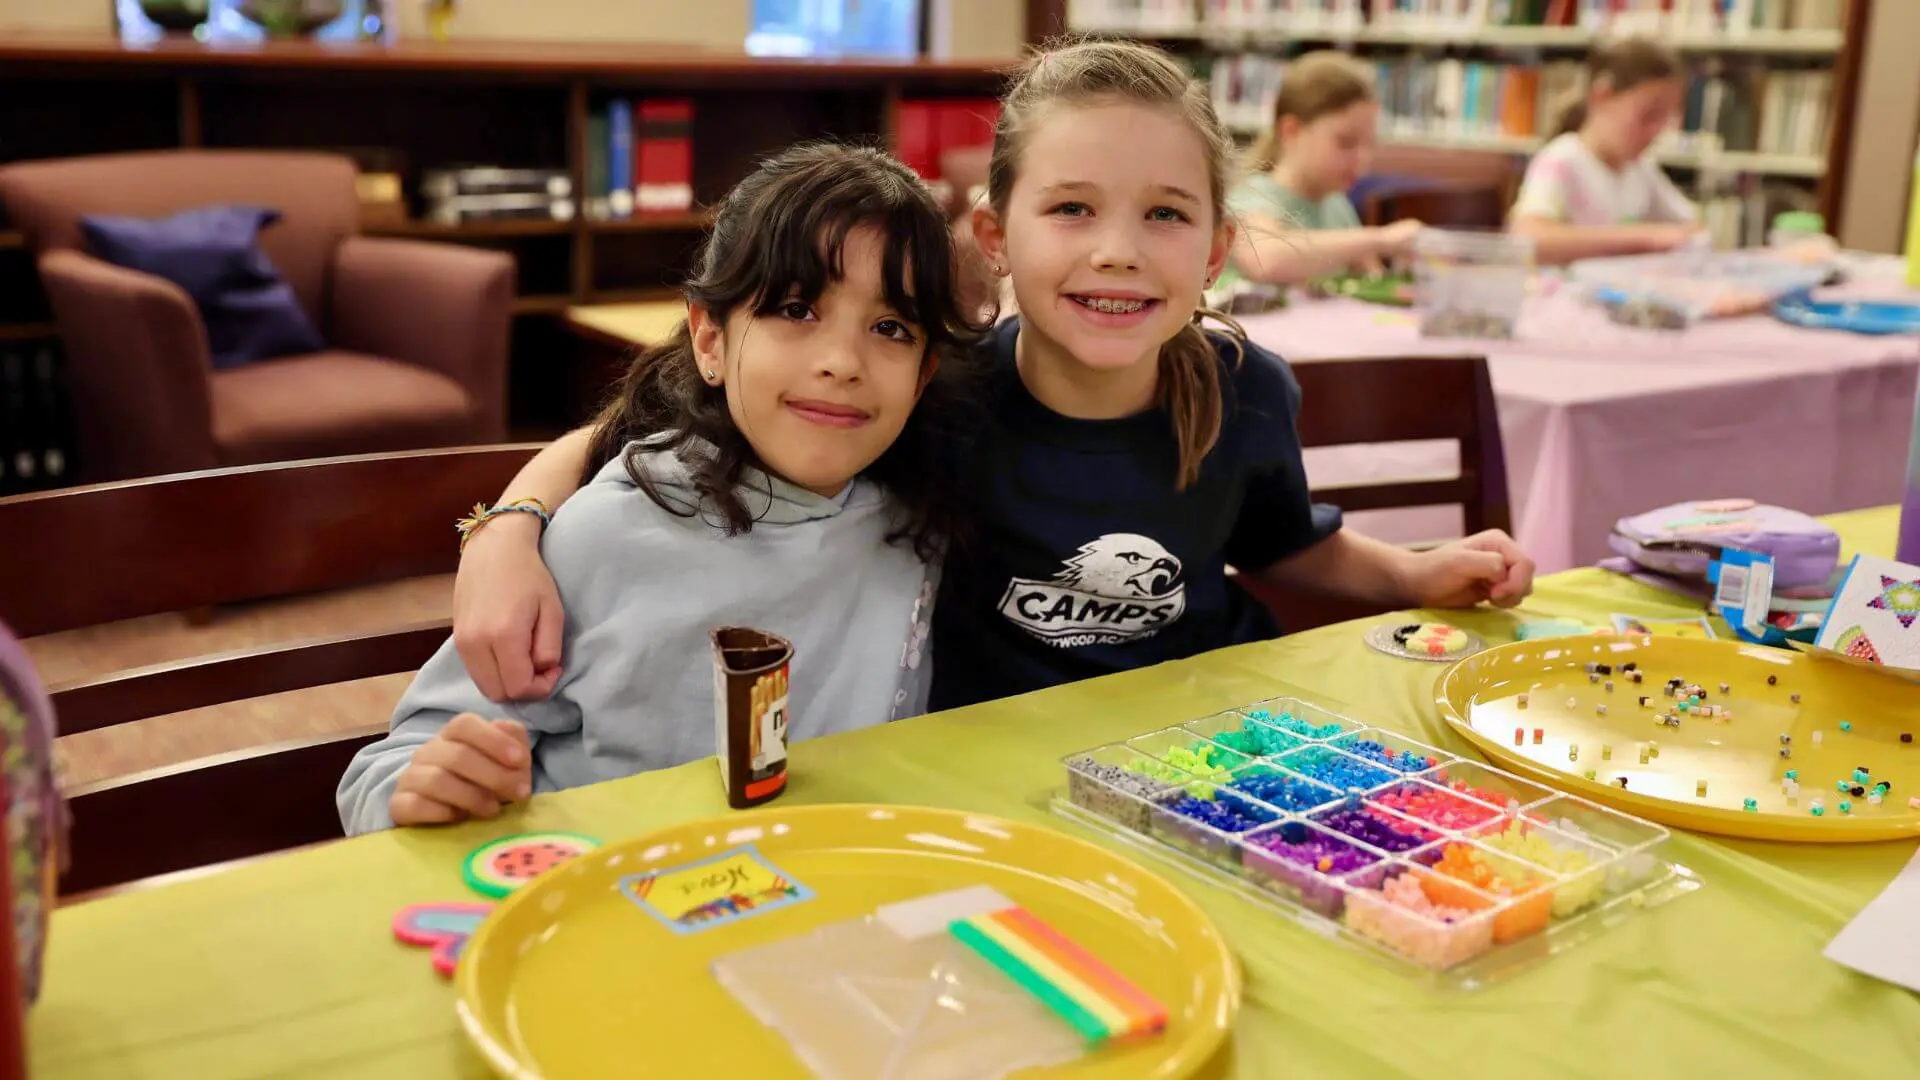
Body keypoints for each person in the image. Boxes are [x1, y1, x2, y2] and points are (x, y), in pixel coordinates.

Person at [448, 39, 1535, 718]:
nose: (1117, 250)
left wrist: (1413, 574)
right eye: (1071, 208)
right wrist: (509, 529)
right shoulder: (932, 387)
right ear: (994, 236)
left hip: (1207, 731)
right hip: (989, 760)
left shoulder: (1249, 390)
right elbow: (649, 423)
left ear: (1215, 251)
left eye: (1164, 213)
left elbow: (1286, 542)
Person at [336, 143, 985, 833]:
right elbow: (389, 771)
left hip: (812, 899)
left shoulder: (919, 515)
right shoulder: (610, 530)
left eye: (890, 328)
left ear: (922, 374)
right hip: (616, 905)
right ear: (709, 339)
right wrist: (427, 788)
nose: (841, 363)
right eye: (796, 310)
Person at [1219, 50, 1422, 290]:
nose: (1362, 159)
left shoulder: (1336, 204)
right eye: (1346, 142)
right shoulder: (1252, 194)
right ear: (1291, 131)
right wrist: (1382, 239)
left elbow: (1372, 280)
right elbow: (1265, 259)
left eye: (1369, 145)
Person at [1508, 36, 1704, 264]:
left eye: (1665, 119)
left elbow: (1690, 226)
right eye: (1649, 115)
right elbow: (1528, 237)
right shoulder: (1563, 158)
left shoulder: (1640, 168)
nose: (1656, 132)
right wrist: (1642, 238)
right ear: (1602, 95)